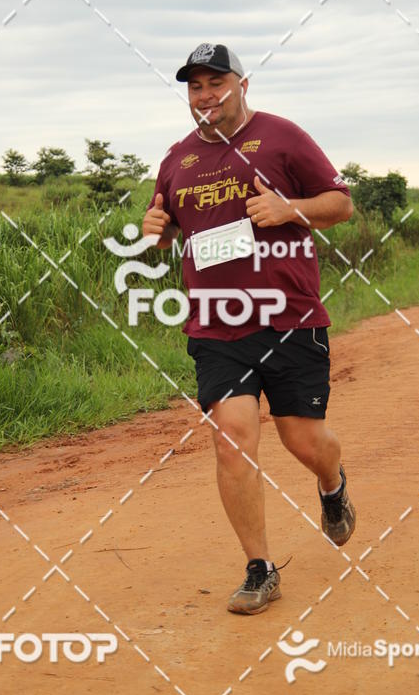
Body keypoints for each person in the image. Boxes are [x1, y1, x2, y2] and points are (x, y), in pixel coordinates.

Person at [142, 43, 356, 615]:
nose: (206, 95)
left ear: (242, 84)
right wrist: (156, 228)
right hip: (216, 325)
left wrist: (291, 210)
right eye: (195, 87)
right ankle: (260, 569)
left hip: (290, 317)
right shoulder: (177, 159)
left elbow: (341, 203)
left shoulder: (283, 136)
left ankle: (332, 485)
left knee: (303, 440)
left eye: (217, 83)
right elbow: (164, 227)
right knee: (231, 437)